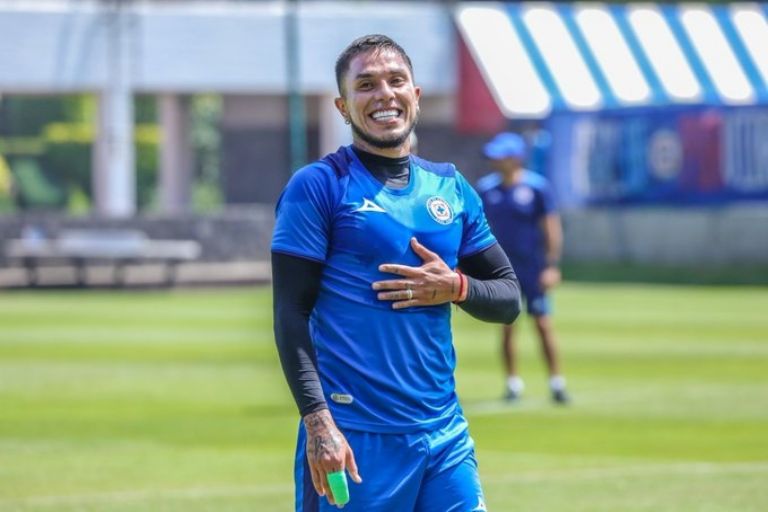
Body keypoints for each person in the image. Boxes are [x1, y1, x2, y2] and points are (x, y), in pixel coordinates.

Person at [271, 34, 521, 511]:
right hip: (355, 438)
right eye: (366, 85)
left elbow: (508, 298)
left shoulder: (450, 187)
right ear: (343, 107)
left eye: (395, 81)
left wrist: (456, 287)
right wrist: (318, 423)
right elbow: (290, 313)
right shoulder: (318, 187)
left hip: (444, 436)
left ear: (415, 95)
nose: (384, 94)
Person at [476, 132, 570, 404]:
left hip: (532, 268)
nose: (495, 161)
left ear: (516, 158)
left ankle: (556, 382)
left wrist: (551, 265)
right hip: (501, 270)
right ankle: (513, 383)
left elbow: (551, 227)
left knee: (542, 323)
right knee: (507, 325)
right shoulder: (486, 189)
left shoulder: (536, 187)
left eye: (501, 156)